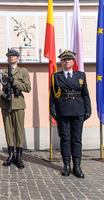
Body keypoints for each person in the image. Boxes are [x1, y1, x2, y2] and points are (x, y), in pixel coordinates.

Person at [50, 50, 91, 178]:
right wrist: (53, 110)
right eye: (64, 60)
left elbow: (85, 94)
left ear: (73, 62)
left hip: (78, 109)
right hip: (63, 110)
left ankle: (77, 167)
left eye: (69, 59)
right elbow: (52, 96)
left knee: (77, 139)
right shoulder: (56, 76)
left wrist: (88, 109)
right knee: (65, 138)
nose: (66, 61)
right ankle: (66, 166)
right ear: (61, 62)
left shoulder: (81, 75)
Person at [0, 49, 31, 169]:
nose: (11, 57)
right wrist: (2, 95)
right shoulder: (2, 72)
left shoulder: (23, 71)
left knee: (18, 130)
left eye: (13, 55)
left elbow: (28, 88)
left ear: (17, 58)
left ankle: (19, 156)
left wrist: (15, 82)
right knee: (8, 130)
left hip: (18, 103)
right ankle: (11, 154)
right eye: (9, 56)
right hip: (6, 103)